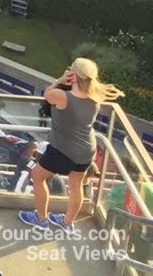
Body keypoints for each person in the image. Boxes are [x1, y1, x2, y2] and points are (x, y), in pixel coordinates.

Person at [22, 57, 123, 230]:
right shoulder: (95, 97)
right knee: (76, 185)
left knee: (37, 177)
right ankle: (67, 222)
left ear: (73, 75)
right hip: (86, 151)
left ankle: (41, 219)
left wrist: (59, 80)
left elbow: (47, 95)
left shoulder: (62, 96)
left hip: (62, 150)